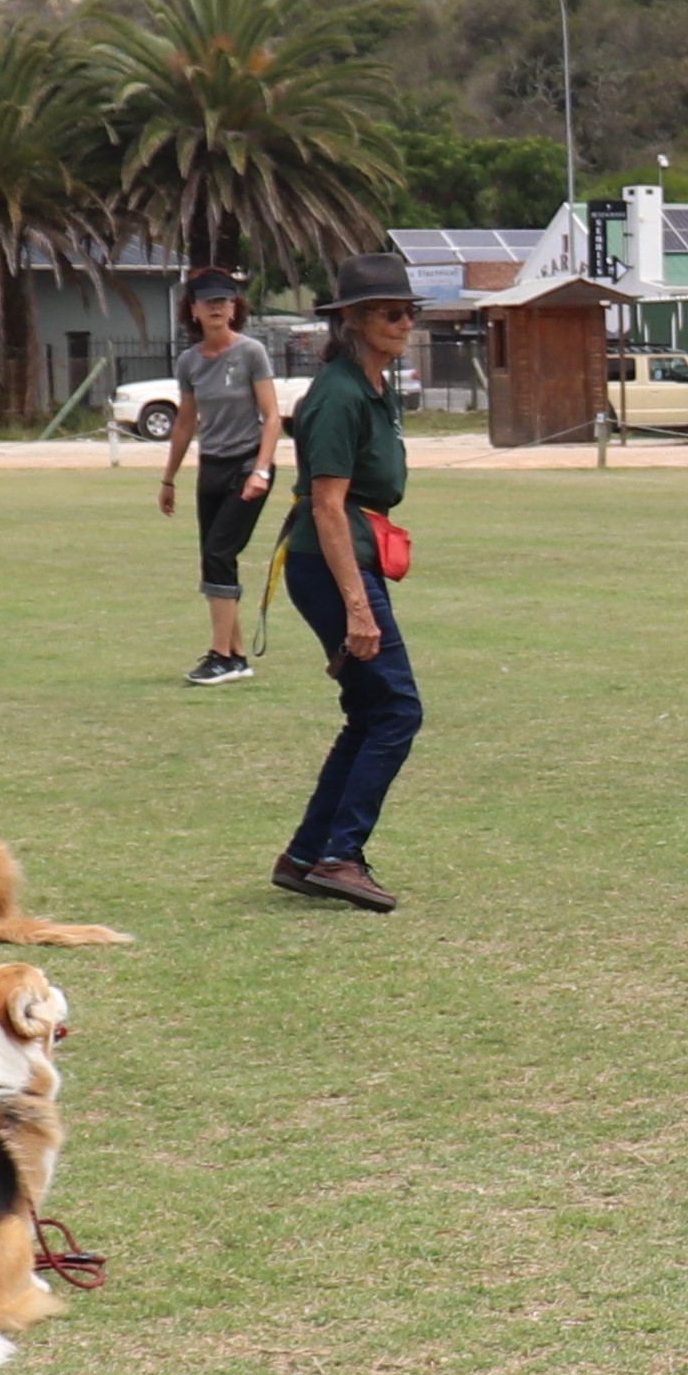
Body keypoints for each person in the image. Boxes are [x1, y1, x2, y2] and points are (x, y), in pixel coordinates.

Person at [267, 253, 425, 914]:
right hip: (331, 563)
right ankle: (340, 856)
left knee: (370, 709)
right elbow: (328, 506)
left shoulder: (373, 387)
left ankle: (307, 855)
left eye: (410, 311)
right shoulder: (337, 394)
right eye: (391, 312)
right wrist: (358, 609)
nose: (405, 322)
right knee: (396, 710)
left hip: (349, 556)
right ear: (354, 320)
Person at [157, 269, 276, 686]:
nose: (217, 307)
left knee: (220, 553)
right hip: (212, 466)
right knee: (213, 558)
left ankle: (220, 655)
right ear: (192, 310)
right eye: (208, 301)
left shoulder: (251, 352)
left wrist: (261, 470)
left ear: (234, 307)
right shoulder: (189, 362)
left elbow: (272, 417)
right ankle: (237, 656)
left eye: (224, 301)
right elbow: (185, 423)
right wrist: (168, 479)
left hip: (247, 464)